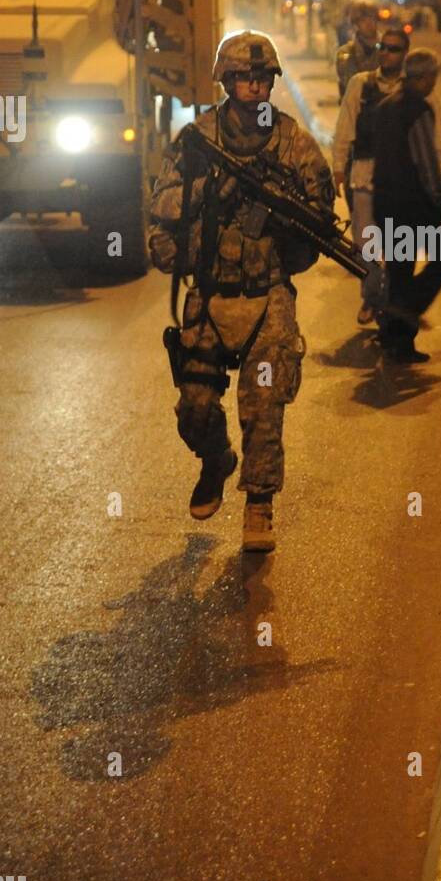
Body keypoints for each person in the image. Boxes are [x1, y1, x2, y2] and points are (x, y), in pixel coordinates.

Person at [148, 30, 334, 552]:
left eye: (262, 77)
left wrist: (281, 221)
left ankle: (259, 505)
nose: (254, 85)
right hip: (210, 292)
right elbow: (162, 213)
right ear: (226, 80)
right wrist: (214, 190)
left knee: (264, 404)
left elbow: (320, 221)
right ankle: (216, 461)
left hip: (267, 291)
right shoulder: (197, 141)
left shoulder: (294, 143)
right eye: (243, 76)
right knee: (196, 408)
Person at [332, 27, 441, 325]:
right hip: (364, 176)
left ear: (405, 54)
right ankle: (374, 300)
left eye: (394, 48)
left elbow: (438, 143)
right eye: (383, 46)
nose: (386, 52)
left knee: (401, 255)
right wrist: (337, 167)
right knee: (369, 248)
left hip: (400, 186)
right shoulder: (362, 84)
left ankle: (396, 307)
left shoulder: (421, 95)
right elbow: (345, 127)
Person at [371, 50, 441, 364]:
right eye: (433, 76)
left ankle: (397, 340)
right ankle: (402, 310)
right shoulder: (417, 110)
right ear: (425, 77)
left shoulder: (385, 106)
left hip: (385, 202)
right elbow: (427, 166)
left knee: (399, 269)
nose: (435, 82)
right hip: (413, 205)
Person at [335, 3, 379, 100]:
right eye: (363, 20)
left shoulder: (386, 47)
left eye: (372, 19)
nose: (368, 24)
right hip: (355, 108)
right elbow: (349, 82)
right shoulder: (346, 52)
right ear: (355, 25)